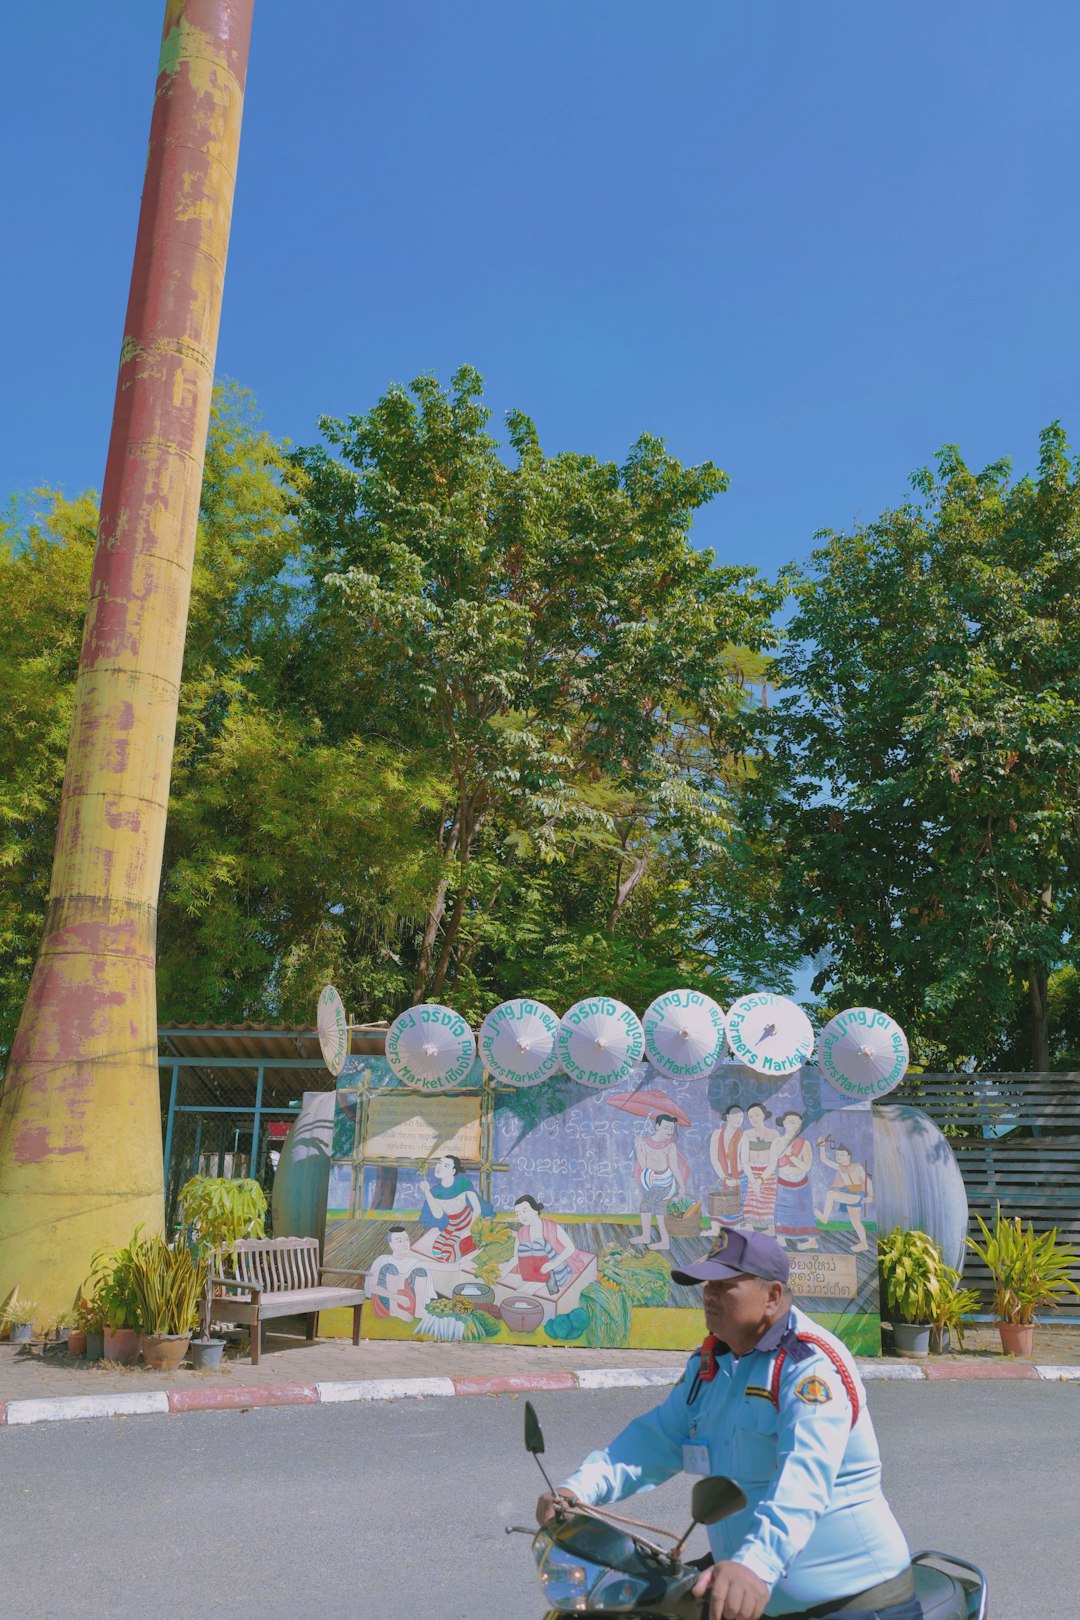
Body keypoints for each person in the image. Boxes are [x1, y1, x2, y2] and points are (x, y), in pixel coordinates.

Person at [537, 1228, 920, 1620]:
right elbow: (657, 1439)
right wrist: (578, 1489)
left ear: (772, 1296)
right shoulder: (714, 1364)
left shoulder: (809, 1368)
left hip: (853, 1605)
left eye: (724, 1285)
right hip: (749, 1596)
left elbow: (804, 1480)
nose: (709, 1294)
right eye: (707, 1285)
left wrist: (756, 1564)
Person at [633, 1112, 689, 1251]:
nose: (670, 1131)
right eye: (666, 1127)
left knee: (648, 1205)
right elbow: (644, 1165)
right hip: (652, 1179)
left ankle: (659, 1240)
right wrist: (639, 1147)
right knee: (654, 1207)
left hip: (666, 1181)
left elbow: (675, 1167)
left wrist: (682, 1187)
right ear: (657, 1126)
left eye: (672, 1128)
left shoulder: (670, 1146)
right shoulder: (645, 1142)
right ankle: (651, 1237)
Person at [502, 1194, 577, 1296]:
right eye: (518, 1214)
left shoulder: (551, 1226)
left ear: (535, 1210)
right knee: (524, 1247)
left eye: (524, 1211)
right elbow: (516, 1257)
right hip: (537, 1275)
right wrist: (502, 1274)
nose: (521, 1216)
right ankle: (531, 1284)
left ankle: (532, 1287)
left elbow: (570, 1248)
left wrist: (552, 1264)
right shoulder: (522, 1232)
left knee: (538, 1244)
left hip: (559, 1273)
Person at [770, 1111, 819, 1251]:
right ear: (784, 1122)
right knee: (781, 1211)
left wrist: (791, 1156)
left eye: (798, 1123)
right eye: (792, 1122)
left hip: (801, 1184)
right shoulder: (777, 1142)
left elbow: (806, 1166)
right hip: (783, 1184)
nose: (795, 1125)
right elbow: (772, 1165)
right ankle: (781, 1239)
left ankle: (812, 1241)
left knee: (805, 1212)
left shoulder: (804, 1144)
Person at [418, 1154, 482, 1262]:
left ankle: (474, 1243)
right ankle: (468, 1243)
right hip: (452, 1225)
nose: (439, 1167)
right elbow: (438, 1214)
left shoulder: (463, 1182)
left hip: (468, 1222)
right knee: (437, 1252)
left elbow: (477, 1208)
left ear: (453, 1171)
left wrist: (469, 1230)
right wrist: (426, 1191)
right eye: (439, 1163)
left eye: (446, 1166)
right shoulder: (435, 1191)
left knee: (449, 1256)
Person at [815, 1139, 872, 1254]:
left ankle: (825, 1217)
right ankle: (864, 1244)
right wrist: (822, 1146)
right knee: (856, 1222)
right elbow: (824, 1160)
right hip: (849, 1194)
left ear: (849, 1155)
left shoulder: (857, 1167)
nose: (839, 1157)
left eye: (842, 1155)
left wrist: (871, 1195)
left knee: (831, 1194)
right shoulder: (840, 1167)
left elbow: (867, 1181)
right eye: (837, 1155)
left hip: (856, 1195)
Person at [367, 1225, 434, 1321]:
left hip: (407, 1301)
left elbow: (437, 1266)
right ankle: (395, 1310)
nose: (405, 1244)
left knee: (421, 1270)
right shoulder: (382, 1260)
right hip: (386, 1301)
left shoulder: (413, 1261)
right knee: (391, 1268)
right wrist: (397, 1298)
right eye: (399, 1241)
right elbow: (372, 1288)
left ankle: (419, 1310)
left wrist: (460, 1265)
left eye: (406, 1240)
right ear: (391, 1245)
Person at [738, 1104, 779, 1234]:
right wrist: (753, 1180)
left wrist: (760, 1180)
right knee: (751, 1200)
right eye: (750, 1116)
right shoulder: (746, 1134)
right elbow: (744, 1160)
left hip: (767, 1173)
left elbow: (773, 1162)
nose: (754, 1118)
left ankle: (771, 1229)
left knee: (768, 1200)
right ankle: (750, 1227)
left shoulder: (774, 1134)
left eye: (756, 1114)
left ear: (763, 1115)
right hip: (751, 1173)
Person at [708, 1104, 745, 1235]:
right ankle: (715, 1229)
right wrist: (724, 1178)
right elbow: (714, 1158)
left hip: (740, 1175)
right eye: (736, 1115)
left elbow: (745, 1161)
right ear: (728, 1117)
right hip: (721, 1174)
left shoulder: (742, 1136)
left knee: (737, 1204)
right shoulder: (717, 1134)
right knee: (718, 1201)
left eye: (741, 1116)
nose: (739, 1119)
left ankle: (737, 1230)